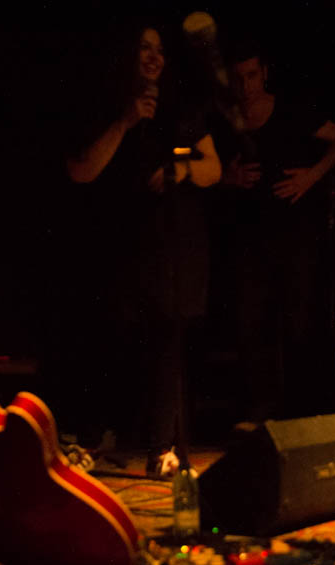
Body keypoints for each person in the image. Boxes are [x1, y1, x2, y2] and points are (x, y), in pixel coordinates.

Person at [58, 20, 221, 473]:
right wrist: (126, 122)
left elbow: (213, 167)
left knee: (168, 342)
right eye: (145, 48)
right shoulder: (104, 106)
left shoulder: (179, 108)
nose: (155, 57)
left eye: (161, 50)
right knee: (110, 340)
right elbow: (81, 170)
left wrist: (181, 170)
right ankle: (92, 438)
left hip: (172, 245)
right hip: (118, 243)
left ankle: (161, 449)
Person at [210, 37, 335, 423]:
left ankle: (301, 413)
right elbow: (204, 171)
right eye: (239, 78)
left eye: (252, 76)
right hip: (247, 237)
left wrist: (311, 177)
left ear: (264, 73)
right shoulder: (225, 120)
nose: (246, 86)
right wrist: (228, 178)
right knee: (250, 324)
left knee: (298, 323)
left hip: (295, 235)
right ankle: (262, 413)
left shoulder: (291, 110)